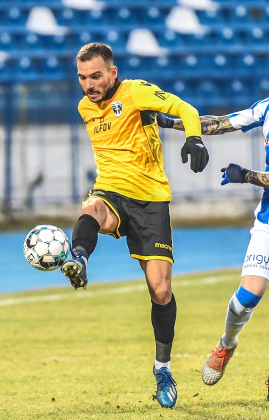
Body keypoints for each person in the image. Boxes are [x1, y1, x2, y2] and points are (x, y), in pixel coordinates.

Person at [159, 51, 269, 402]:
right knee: (246, 299)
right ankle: (226, 345)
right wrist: (169, 122)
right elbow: (221, 122)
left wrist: (246, 176)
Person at [60, 42, 209, 408]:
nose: (89, 85)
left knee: (160, 291)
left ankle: (162, 368)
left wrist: (194, 137)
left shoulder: (136, 91)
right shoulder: (84, 107)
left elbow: (184, 108)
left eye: (96, 76)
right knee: (92, 208)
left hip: (150, 200)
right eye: (82, 78)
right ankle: (78, 257)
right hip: (110, 190)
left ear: (112, 73)